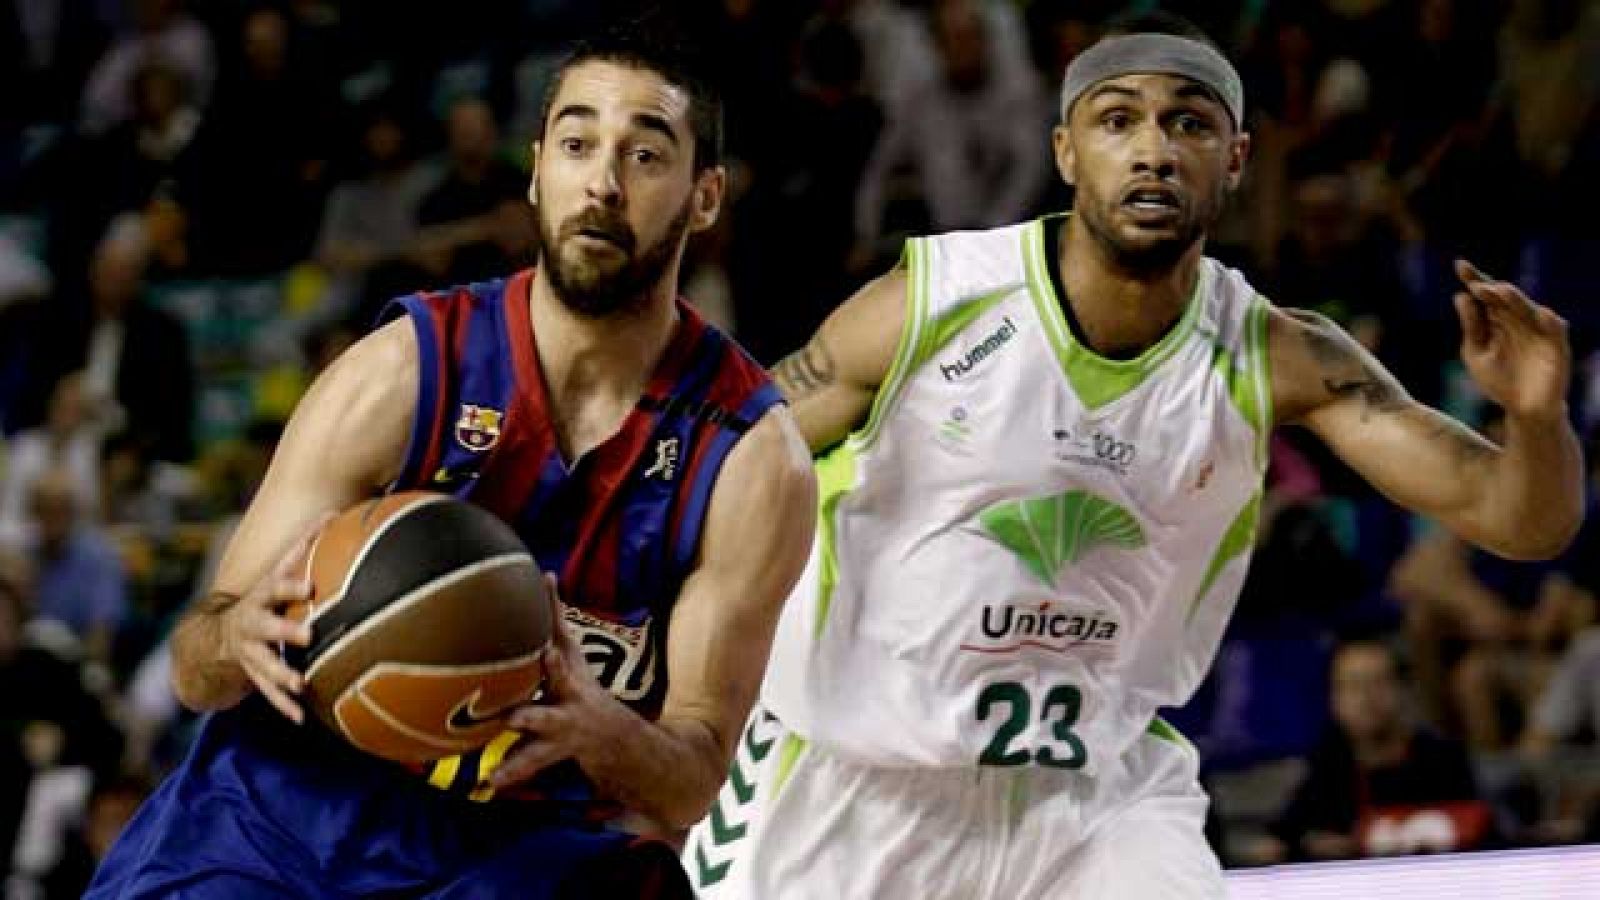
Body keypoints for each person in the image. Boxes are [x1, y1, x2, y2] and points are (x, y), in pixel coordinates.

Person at [686, 14, 1583, 899]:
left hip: (1091, 804)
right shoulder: (931, 305)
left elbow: (1519, 519)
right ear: (1068, 152)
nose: (1152, 148)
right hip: (853, 778)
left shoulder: (1276, 356)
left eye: (1188, 122)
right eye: (1118, 121)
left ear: (1234, 160)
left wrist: (1538, 418)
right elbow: (714, 468)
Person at [86, 15, 816, 900]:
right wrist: (236, 638)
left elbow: (695, 777)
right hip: (285, 814)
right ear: (538, 170)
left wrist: (601, 731)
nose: (605, 183)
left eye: (646, 155)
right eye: (578, 144)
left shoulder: (749, 455)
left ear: (705, 197)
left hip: (516, 846)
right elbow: (196, 665)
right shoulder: (400, 370)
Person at [1262, 640, 1491, 862]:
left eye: (1378, 682)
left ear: (1403, 690)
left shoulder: (1443, 761)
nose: (1366, 697)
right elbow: (1279, 840)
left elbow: (1475, 833)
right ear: (1334, 699)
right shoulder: (1329, 767)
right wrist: (1308, 845)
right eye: (1353, 686)